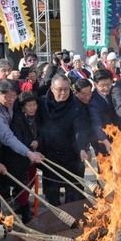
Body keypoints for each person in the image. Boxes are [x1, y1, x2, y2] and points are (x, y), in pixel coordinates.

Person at [0, 79, 44, 209]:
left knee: (9, 180)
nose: (12, 100)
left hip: (3, 149)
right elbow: (7, 136)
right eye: (8, 97)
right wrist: (28, 152)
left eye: (14, 96)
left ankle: (12, 206)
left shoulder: (12, 105)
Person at [38, 74, 90, 206]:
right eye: (60, 89)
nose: (63, 93)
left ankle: (73, 218)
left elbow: (81, 130)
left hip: (72, 153)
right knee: (52, 192)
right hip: (49, 154)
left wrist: (83, 148)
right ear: (52, 88)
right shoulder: (42, 103)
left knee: (73, 191)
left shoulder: (76, 105)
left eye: (66, 89)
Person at [5, 91, 42, 222]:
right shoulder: (17, 119)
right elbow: (17, 139)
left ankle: (20, 202)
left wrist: (38, 141)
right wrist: (30, 146)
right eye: (29, 106)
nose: (33, 108)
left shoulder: (37, 117)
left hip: (32, 156)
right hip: (19, 157)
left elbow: (41, 132)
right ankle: (25, 212)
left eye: (34, 105)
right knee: (24, 184)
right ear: (22, 107)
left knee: (31, 180)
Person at [87, 69, 121, 157]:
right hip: (101, 139)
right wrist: (105, 140)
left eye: (108, 84)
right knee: (105, 167)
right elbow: (96, 123)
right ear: (95, 84)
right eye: (102, 85)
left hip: (119, 137)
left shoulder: (115, 92)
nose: (106, 88)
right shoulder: (92, 101)